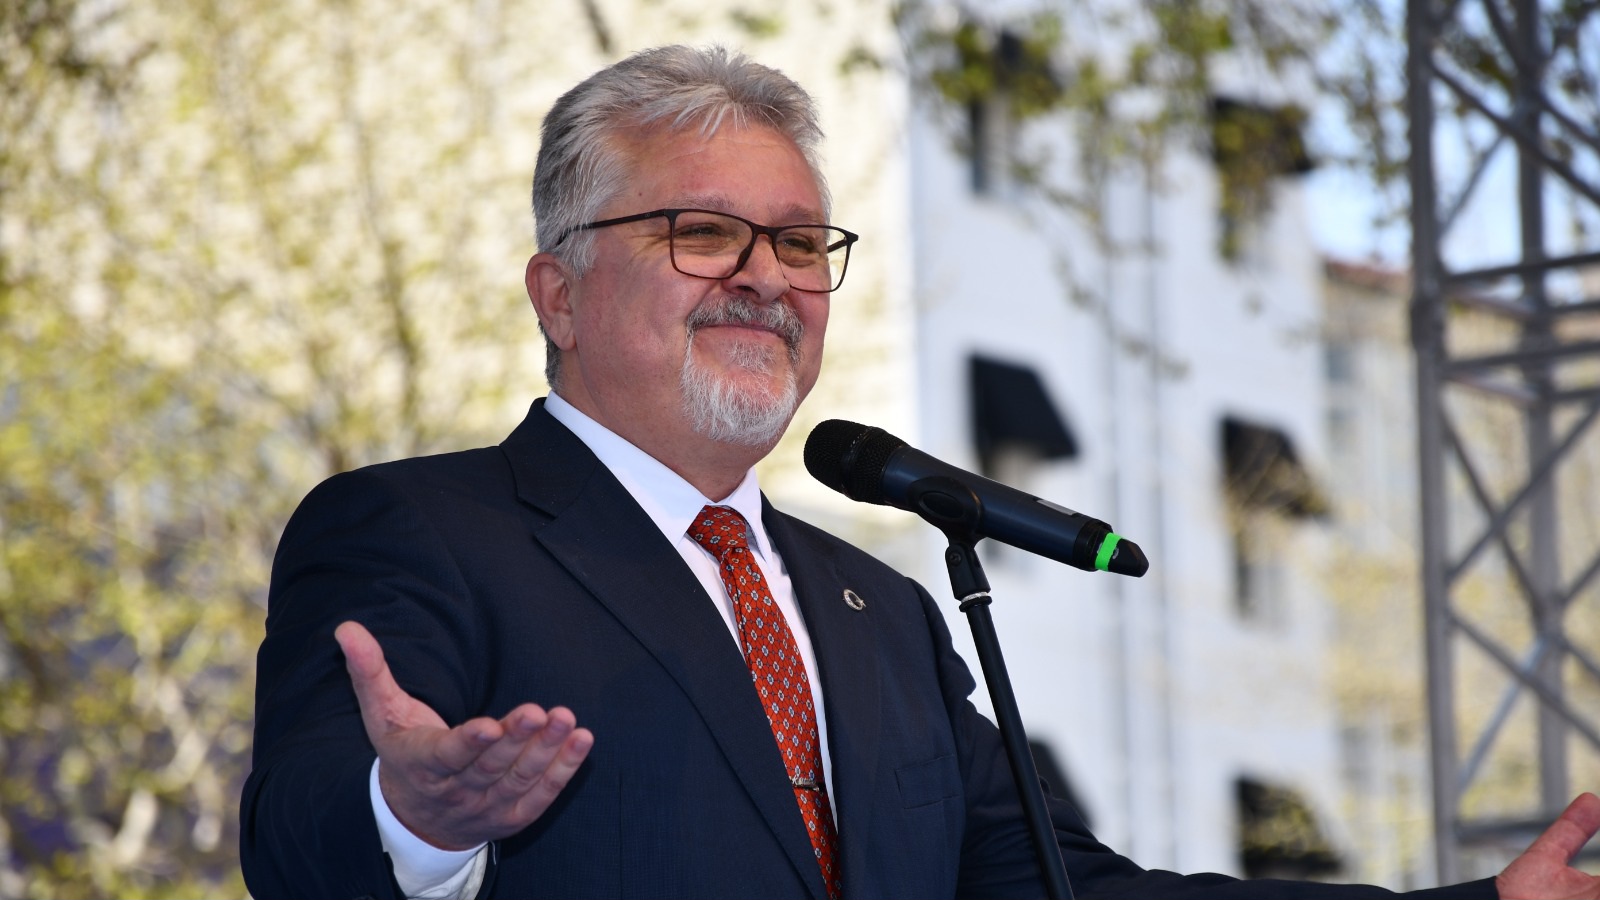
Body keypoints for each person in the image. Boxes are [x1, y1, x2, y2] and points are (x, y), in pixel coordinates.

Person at [239, 44, 1600, 900]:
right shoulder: (416, 527)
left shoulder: (879, 610)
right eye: (703, 231)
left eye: (798, 243)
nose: (765, 277)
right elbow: (298, 844)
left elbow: (1065, 889)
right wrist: (415, 818)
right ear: (561, 292)